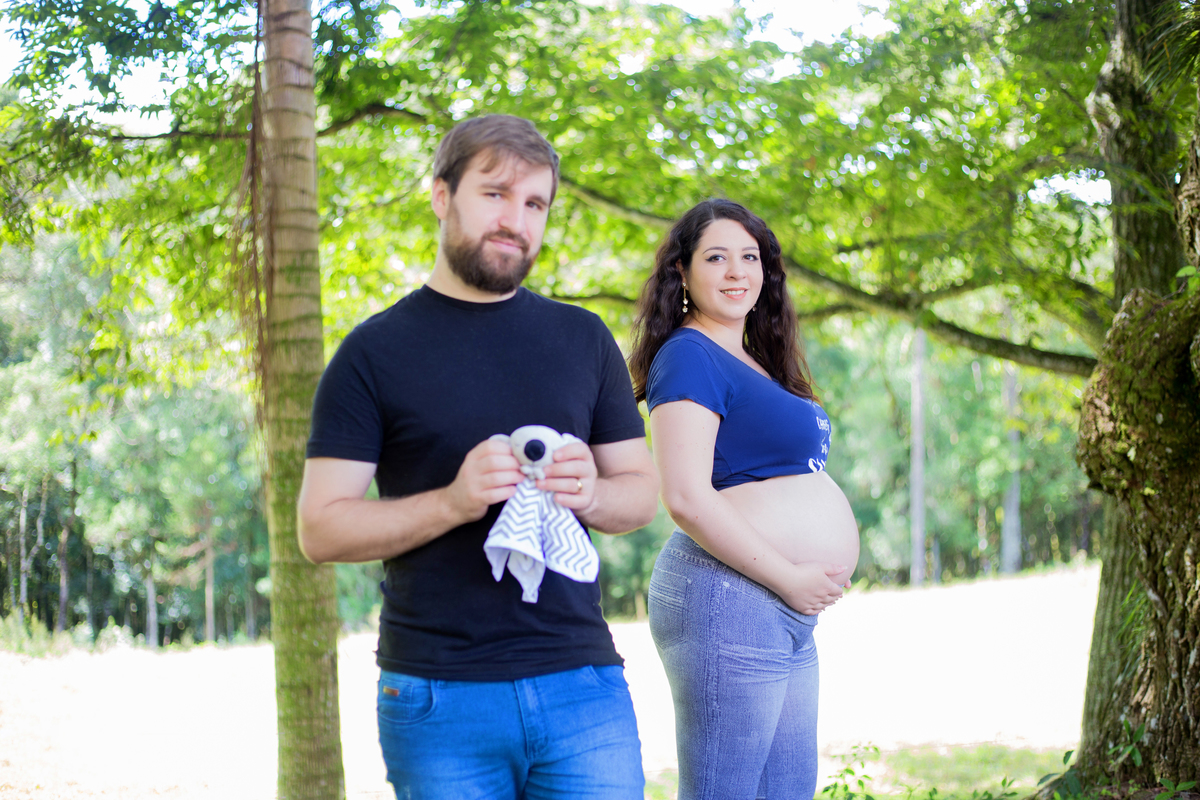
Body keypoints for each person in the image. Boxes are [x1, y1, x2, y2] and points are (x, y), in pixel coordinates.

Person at [297, 114, 659, 800]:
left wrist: (592, 494)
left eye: (535, 204)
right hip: (438, 699)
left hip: (583, 688)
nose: (515, 221)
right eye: (495, 194)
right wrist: (453, 502)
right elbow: (320, 529)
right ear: (442, 196)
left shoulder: (584, 339)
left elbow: (641, 493)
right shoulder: (373, 354)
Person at [628, 199, 860, 800]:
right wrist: (789, 577)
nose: (736, 272)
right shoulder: (689, 354)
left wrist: (795, 586)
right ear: (681, 271)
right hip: (728, 598)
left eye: (749, 257)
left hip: (782, 606)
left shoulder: (755, 359)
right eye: (716, 258)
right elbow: (685, 497)